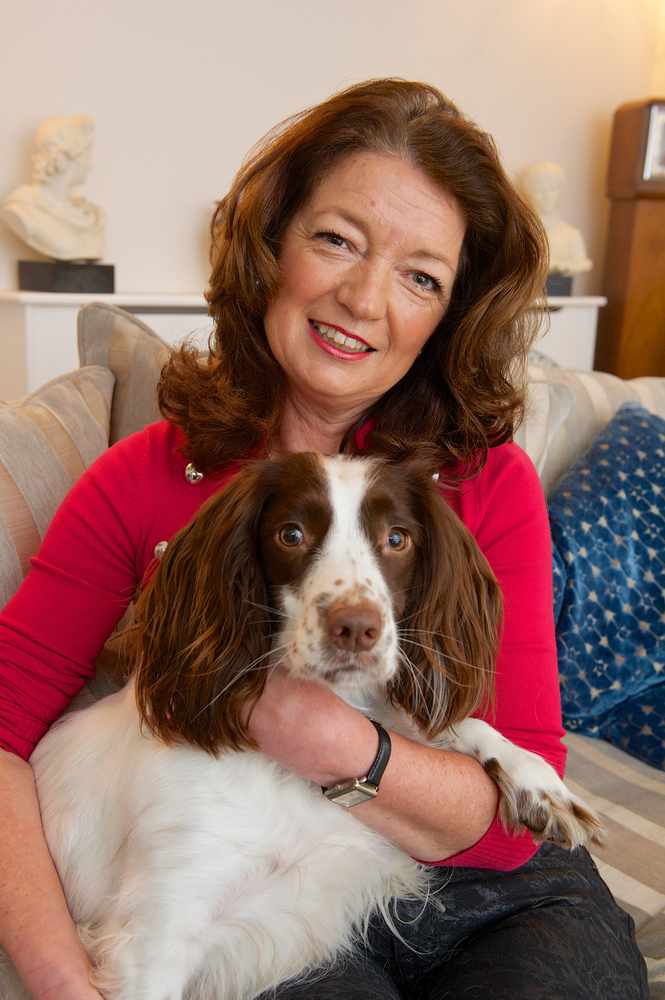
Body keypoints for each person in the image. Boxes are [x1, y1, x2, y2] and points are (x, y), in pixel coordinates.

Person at [0, 79, 647, 1000]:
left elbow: (515, 817)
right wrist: (61, 975)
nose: (363, 298)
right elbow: (3, 723)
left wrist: (340, 747)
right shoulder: (147, 476)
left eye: (420, 276)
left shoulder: (483, 481)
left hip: (482, 882)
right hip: (264, 874)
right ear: (271, 247)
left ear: (447, 313)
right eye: (337, 240)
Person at [0, 114, 105, 261]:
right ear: (64, 158)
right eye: (86, 155)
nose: (90, 165)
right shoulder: (24, 209)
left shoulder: (91, 216)